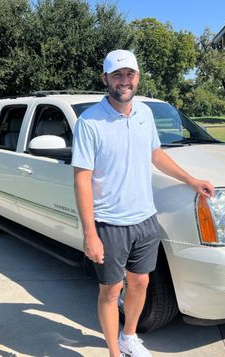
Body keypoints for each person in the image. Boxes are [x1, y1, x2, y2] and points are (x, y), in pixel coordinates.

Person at [72, 49, 214, 357]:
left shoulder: (144, 114)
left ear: (137, 77)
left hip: (145, 219)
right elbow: (82, 178)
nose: (124, 81)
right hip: (109, 223)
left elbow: (156, 155)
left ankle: (129, 337)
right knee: (110, 291)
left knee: (140, 283)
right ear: (105, 79)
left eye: (130, 74)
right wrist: (90, 234)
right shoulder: (89, 122)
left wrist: (191, 180)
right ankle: (114, 352)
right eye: (117, 75)